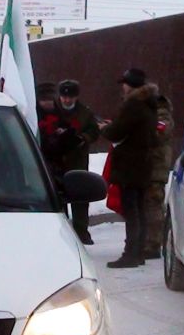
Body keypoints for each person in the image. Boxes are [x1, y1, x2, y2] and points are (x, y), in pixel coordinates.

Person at [98, 67, 158, 268]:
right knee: (138, 210)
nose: (122, 87)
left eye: (124, 83)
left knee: (132, 211)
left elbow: (117, 132)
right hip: (142, 165)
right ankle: (138, 252)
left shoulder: (133, 105)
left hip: (130, 166)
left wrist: (105, 128)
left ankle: (130, 254)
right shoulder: (148, 104)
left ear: (129, 85)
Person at [51, 79, 101, 245]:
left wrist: (82, 138)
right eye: (64, 97)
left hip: (77, 160)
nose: (66, 100)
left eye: (70, 97)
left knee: (80, 197)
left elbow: (93, 131)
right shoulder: (52, 109)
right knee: (58, 196)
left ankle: (81, 231)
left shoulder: (85, 113)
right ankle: (61, 230)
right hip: (57, 160)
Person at [142, 86, 174, 259]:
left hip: (157, 167)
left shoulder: (162, 114)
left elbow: (159, 133)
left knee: (153, 206)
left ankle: (154, 244)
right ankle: (148, 241)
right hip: (151, 166)